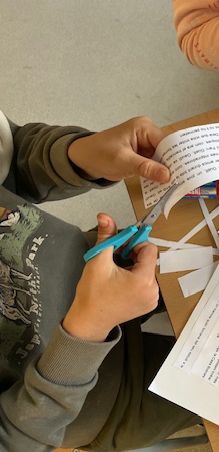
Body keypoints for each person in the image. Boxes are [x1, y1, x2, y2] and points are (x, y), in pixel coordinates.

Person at [0, 112, 200, 451]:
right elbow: (14, 441)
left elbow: (12, 156)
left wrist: (77, 155)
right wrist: (87, 329)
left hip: (105, 259)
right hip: (100, 400)